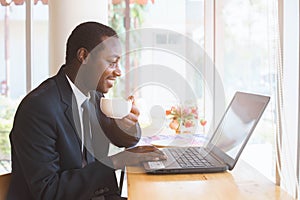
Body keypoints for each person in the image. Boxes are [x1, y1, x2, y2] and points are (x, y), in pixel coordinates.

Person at [7, 22, 166, 200]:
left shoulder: (94, 98)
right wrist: (117, 161)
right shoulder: (38, 109)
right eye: (112, 62)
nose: (119, 72)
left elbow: (126, 140)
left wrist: (126, 126)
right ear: (83, 56)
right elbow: (48, 192)